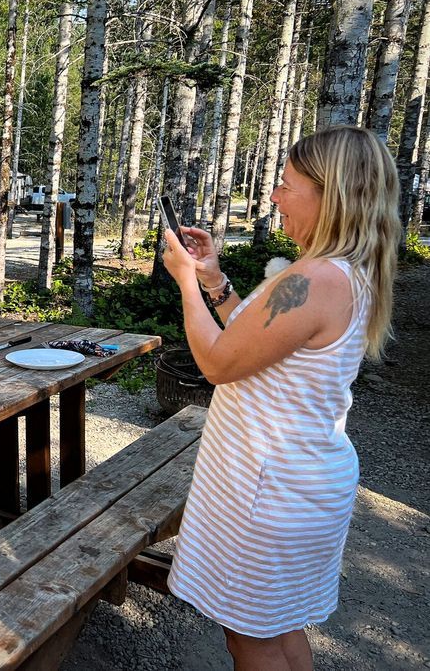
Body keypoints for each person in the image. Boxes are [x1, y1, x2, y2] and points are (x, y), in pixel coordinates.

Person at [161, 125, 399, 671]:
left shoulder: (313, 278)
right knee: (279, 628)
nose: (273, 196)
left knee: (252, 639)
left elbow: (219, 363)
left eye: (287, 185)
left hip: (269, 492)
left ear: (330, 194)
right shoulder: (343, 273)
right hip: (295, 482)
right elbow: (256, 341)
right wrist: (214, 280)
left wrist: (183, 283)